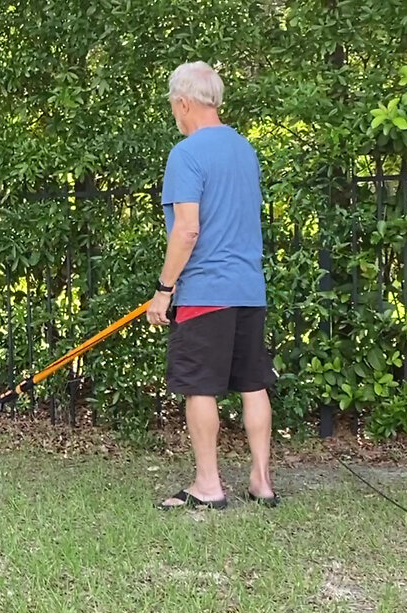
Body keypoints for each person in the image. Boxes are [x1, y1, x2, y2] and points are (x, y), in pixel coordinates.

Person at [146, 61, 278, 510]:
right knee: (252, 384)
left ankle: (208, 485)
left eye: (173, 106)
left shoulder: (186, 153)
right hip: (248, 289)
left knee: (199, 387)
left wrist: (164, 289)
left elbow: (187, 230)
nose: (174, 115)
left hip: (205, 291)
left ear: (184, 102)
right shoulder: (245, 150)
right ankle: (261, 480)